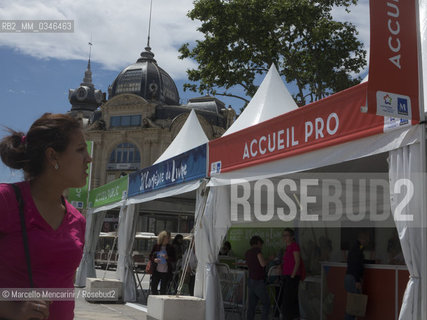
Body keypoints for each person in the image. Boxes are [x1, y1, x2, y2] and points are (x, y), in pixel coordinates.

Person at [0, 113, 92, 320]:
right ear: (52, 156)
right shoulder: (6, 201)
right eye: (80, 149)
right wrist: (11, 309)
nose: (89, 158)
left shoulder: (78, 220)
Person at [345, 232, 369, 320]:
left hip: (350, 277)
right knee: (353, 307)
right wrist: (357, 280)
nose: (367, 241)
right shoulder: (357, 249)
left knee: (352, 305)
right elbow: (356, 264)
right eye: (366, 239)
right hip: (353, 278)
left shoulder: (355, 248)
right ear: (362, 239)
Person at [245, 235, 270, 320]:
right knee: (266, 303)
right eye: (261, 244)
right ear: (258, 243)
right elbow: (262, 263)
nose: (262, 246)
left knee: (251, 306)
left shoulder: (247, 252)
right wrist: (270, 259)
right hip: (258, 280)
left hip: (251, 280)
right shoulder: (257, 251)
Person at [281, 228, 302, 320]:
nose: (285, 237)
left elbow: (297, 262)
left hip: (292, 276)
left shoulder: (294, 246)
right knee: (288, 299)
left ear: (292, 236)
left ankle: (289, 317)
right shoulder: (287, 247)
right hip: (286, 275)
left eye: (287, 235)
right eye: (284, 235)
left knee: (288, 300)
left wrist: (292, 276)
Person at [149, 230, 176, 295]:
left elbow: (174, 259)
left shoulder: (171, 247)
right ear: (162, 238)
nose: (168, 239)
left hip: (166, 271)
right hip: (156, 270)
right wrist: (154, 259)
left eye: (168, 238)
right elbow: (150, 256)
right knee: (153, 287)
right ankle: (155, 300)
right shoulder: (156, 246)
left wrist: (167, 258)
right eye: (166, 238)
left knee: (163, 288)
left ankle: (161, 301)